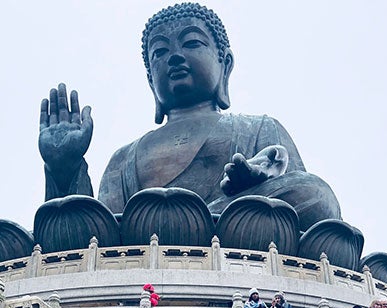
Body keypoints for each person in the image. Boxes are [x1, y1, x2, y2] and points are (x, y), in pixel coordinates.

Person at [38, 3, 340, 231]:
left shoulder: (258, 127)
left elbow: (302, 197)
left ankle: (213, 215)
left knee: (315, 193)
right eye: (160, 52)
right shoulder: (124, 158)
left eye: (192, 43)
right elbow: (97, 229)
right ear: (150, 80)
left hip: (236, 225)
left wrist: (255, 182)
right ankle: (207, 219)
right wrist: (64, 167)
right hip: (149, 240)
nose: (175, 56)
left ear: (225, 64)